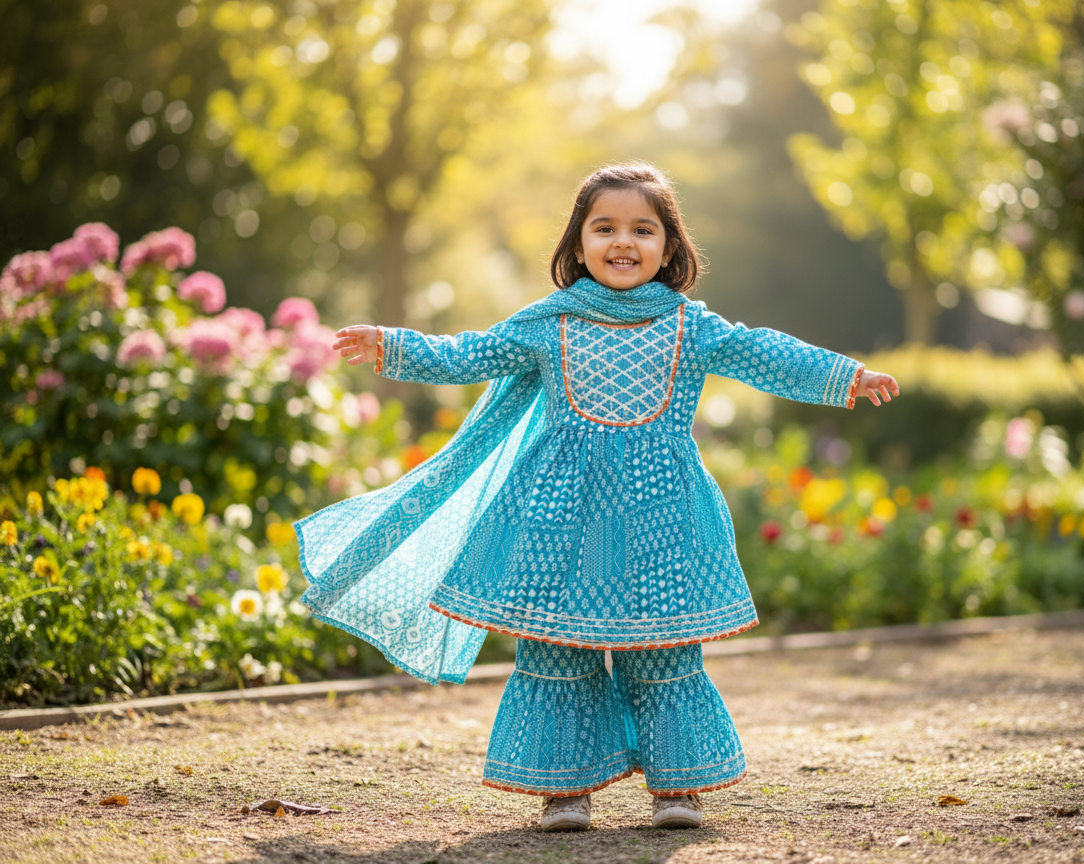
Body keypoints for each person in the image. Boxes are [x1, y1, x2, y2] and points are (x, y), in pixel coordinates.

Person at [296, 162, 899, 833]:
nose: (623, 241)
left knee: (664, 654)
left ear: (669, 247)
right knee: (559, 650)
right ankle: (566, 791)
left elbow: (763, 352)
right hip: (561, 523)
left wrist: (845, 376)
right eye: (604, 227)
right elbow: (471, 353)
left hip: (662, 521)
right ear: (577, 243)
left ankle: (678, 790)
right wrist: (397, 347)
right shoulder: (549, 321)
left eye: (643, 229)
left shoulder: (688, 326)